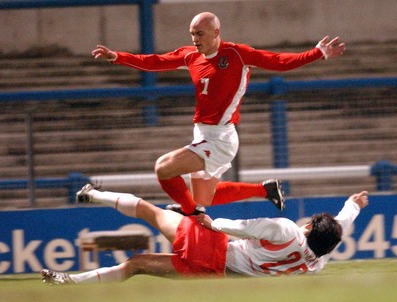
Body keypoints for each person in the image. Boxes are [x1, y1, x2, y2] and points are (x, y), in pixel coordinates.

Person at [91, 12, 346, 215]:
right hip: (202, 134)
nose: (195, 39)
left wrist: (317, 53)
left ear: (216, 32)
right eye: (192, 34)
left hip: (221, 138)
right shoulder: (190, 55)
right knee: (206, 197)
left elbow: (278, 61)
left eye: (199, 34)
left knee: (164, 168)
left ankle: (190, 213)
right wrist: (118, 57)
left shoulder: (236, 54)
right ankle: (264, 190)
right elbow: (155, 62)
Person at [41, 184, 368, 284]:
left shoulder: (285, 230)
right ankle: (67, 282)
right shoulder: (316, 263)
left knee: (150, 211)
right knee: (138, 263)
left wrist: (208, 221)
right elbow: (339, 228)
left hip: (215, 247)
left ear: (308, 227)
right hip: (215, 273)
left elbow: (240, 227)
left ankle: (92, 194)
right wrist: (353, 207)